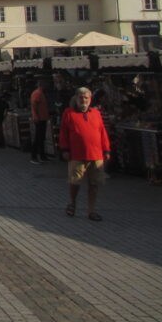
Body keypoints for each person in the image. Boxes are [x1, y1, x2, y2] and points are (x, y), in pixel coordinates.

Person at [59, 87, 111, 221]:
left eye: (86, 98)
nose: (84, 100)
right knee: (75, 182)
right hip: (77, 154)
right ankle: (72, 203)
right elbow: (63, 132)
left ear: (90, 99)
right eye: (81, 97)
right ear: (76, 98)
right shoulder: (69, 113)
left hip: (96, 154)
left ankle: (91, 210)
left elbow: (102, 132)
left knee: (94, 184)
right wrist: (64, 149)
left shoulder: (96, 113)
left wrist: (106, 149)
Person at [30, 79, 50, 164]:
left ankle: (42, 155)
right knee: (38, 138)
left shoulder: (40, 93)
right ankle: (34, 156)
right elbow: (34, 106)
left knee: (41, 138)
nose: (46, 87)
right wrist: (36, 116)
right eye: (45, 85)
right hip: (39, 118)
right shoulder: (37, 93)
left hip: (42, 118)